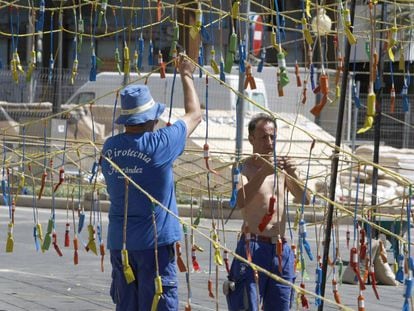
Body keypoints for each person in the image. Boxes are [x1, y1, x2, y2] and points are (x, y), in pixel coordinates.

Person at [101, 55, 201, 310]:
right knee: (160, 303)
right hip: (154, 247)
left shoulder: (109, 148)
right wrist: (186, 74)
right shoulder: (159, 144)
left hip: (120, 245)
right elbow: (195, 115)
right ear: (150, 119)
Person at [225, 113, 310, 311]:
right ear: (251, 139)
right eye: (264, 137)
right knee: (247, 305)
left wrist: (293, 174)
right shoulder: (242, 168)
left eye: (273, 137)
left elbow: (304, 199)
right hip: (252, 246)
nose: (269, 142)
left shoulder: (281, 169)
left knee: (281, 306)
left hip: (280, 249)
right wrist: (263, 172)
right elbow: (240, 200)